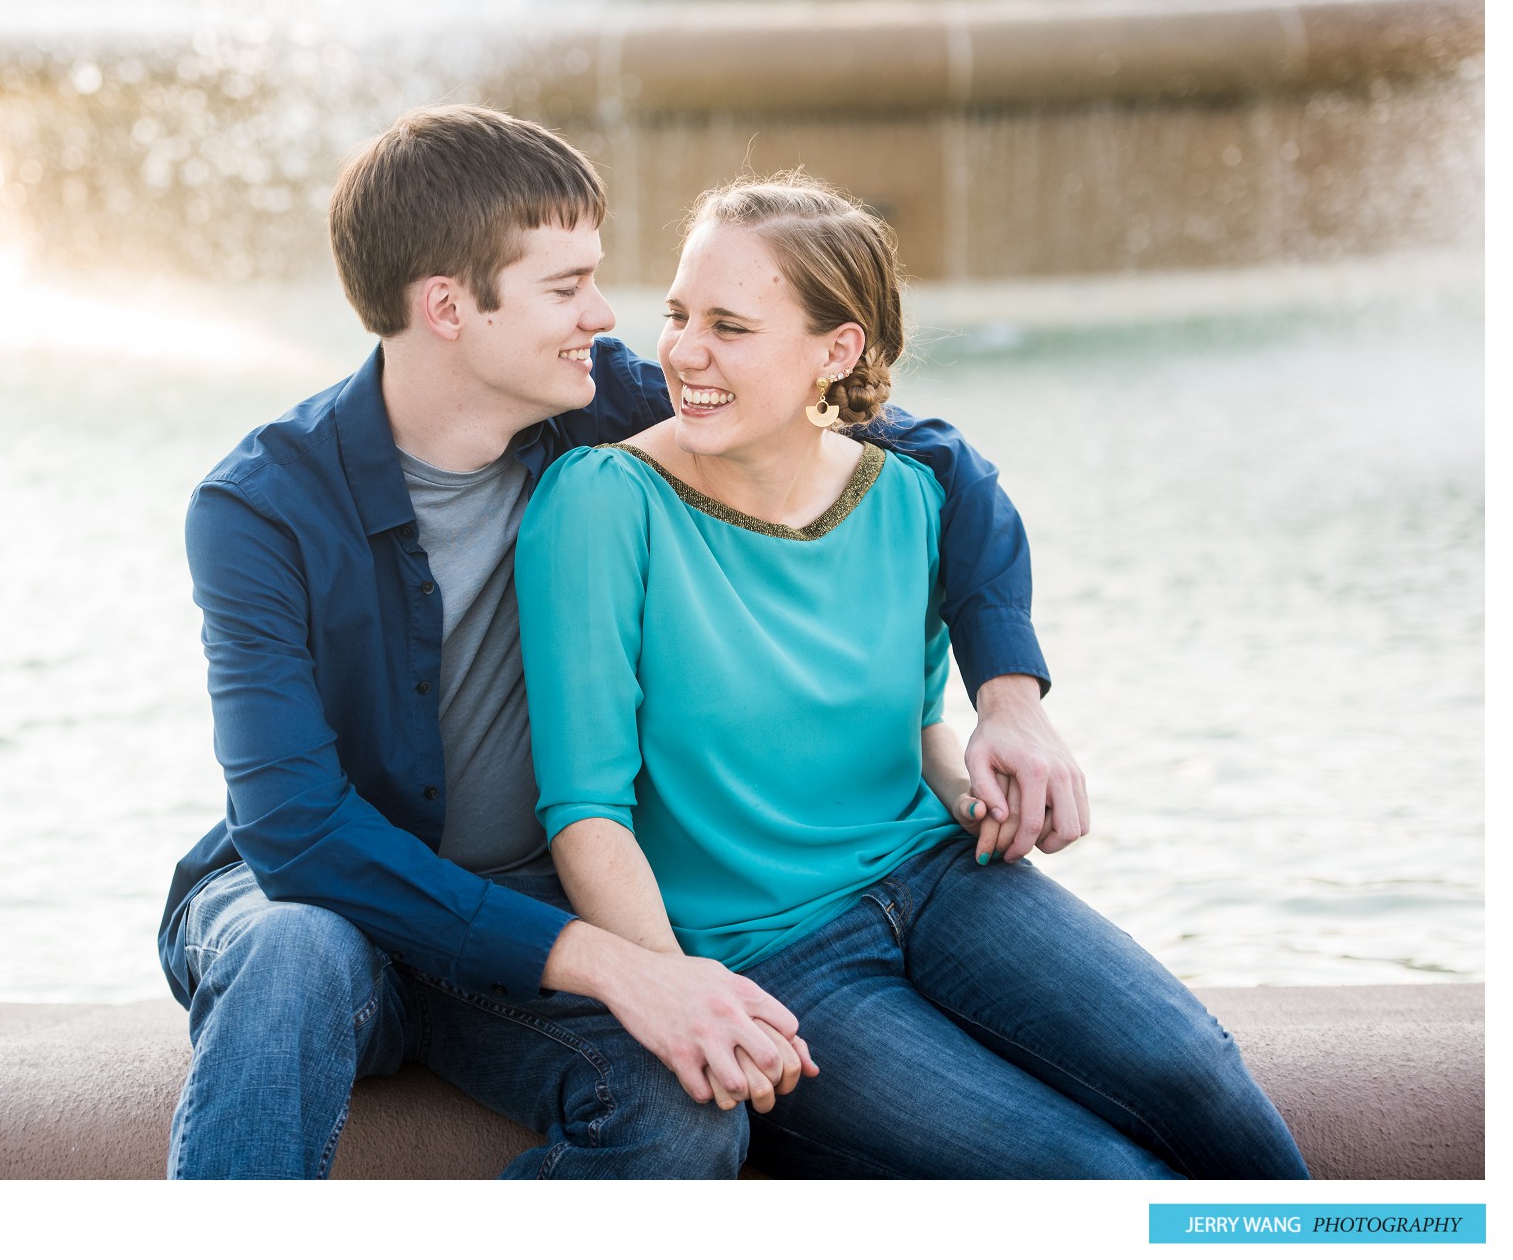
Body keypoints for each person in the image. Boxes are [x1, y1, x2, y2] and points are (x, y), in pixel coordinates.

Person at [160, 106, 1085, 1179]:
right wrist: (620, 966)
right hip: (329, 906)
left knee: (688, 1113)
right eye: (566, 288)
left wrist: (1008, 695)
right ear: (449, 307)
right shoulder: (261, 507)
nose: (606, 316)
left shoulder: (604, 405)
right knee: (293, 949)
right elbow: (299, 837)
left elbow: (936, 458)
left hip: (518, 924)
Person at [513, 172, 1310, 1178]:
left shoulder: (908, 497)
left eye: (730, 325)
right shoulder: (598, 502)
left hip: (943, 883)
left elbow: (909, 717)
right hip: (768, 951)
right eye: (677, 315)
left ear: (835, 351)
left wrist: (972, 774)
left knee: (1199, 1075)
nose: (683, 351)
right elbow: (584, 810)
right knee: (1087, 1175)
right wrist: (687, 999)